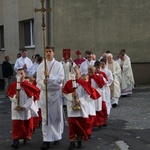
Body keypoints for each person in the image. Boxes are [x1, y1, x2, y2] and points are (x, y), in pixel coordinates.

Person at [62, 66, 100, 150]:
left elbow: (88, 94)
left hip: (81, 107)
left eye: (77, 73)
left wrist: (80, 100)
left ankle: (79, 139)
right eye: (73, 73)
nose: (75, 75)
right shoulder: (68, 83)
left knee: (80, 125)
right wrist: (71, 96)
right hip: (71, 108)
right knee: (72, 125)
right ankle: (72, 141)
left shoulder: (84, 83)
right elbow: (64, 93)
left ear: (79, 74)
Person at [36, 46, 64, 150]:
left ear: (53, 53)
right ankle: (46, 139)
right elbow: (38, 80)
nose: (48, 53)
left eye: (50, 51)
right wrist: (43, 82)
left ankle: (56, 136)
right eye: (46, 51)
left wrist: (50, 78)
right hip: (45, 93)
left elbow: (60, 78)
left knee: (56, 117)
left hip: (55, 93)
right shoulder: (41, 66)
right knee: (45, 118)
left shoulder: (58, 65)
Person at [7, 68, 40, 149]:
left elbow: (31, 98)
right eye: (18, 74)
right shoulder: (13, 85)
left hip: (25, 109)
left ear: (25, 75)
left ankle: (25, 137)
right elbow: (10, 95)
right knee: (16, 125)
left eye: (22, 73)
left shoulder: (27, 85)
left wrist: (25, 107)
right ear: (16, 75)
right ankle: (16, 141)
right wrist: (15, 97)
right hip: (16, 109)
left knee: (25, 125)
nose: (20, 75)